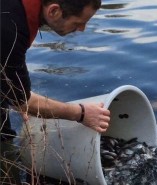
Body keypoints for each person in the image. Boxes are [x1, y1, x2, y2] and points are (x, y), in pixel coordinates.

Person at [1, 0, 110, 140]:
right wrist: (81, 113)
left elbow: (8, 71)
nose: (82, 29)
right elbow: (24, 102)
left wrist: (16, 91)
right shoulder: (9, 28)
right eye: (77, 23)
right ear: (53, 11)